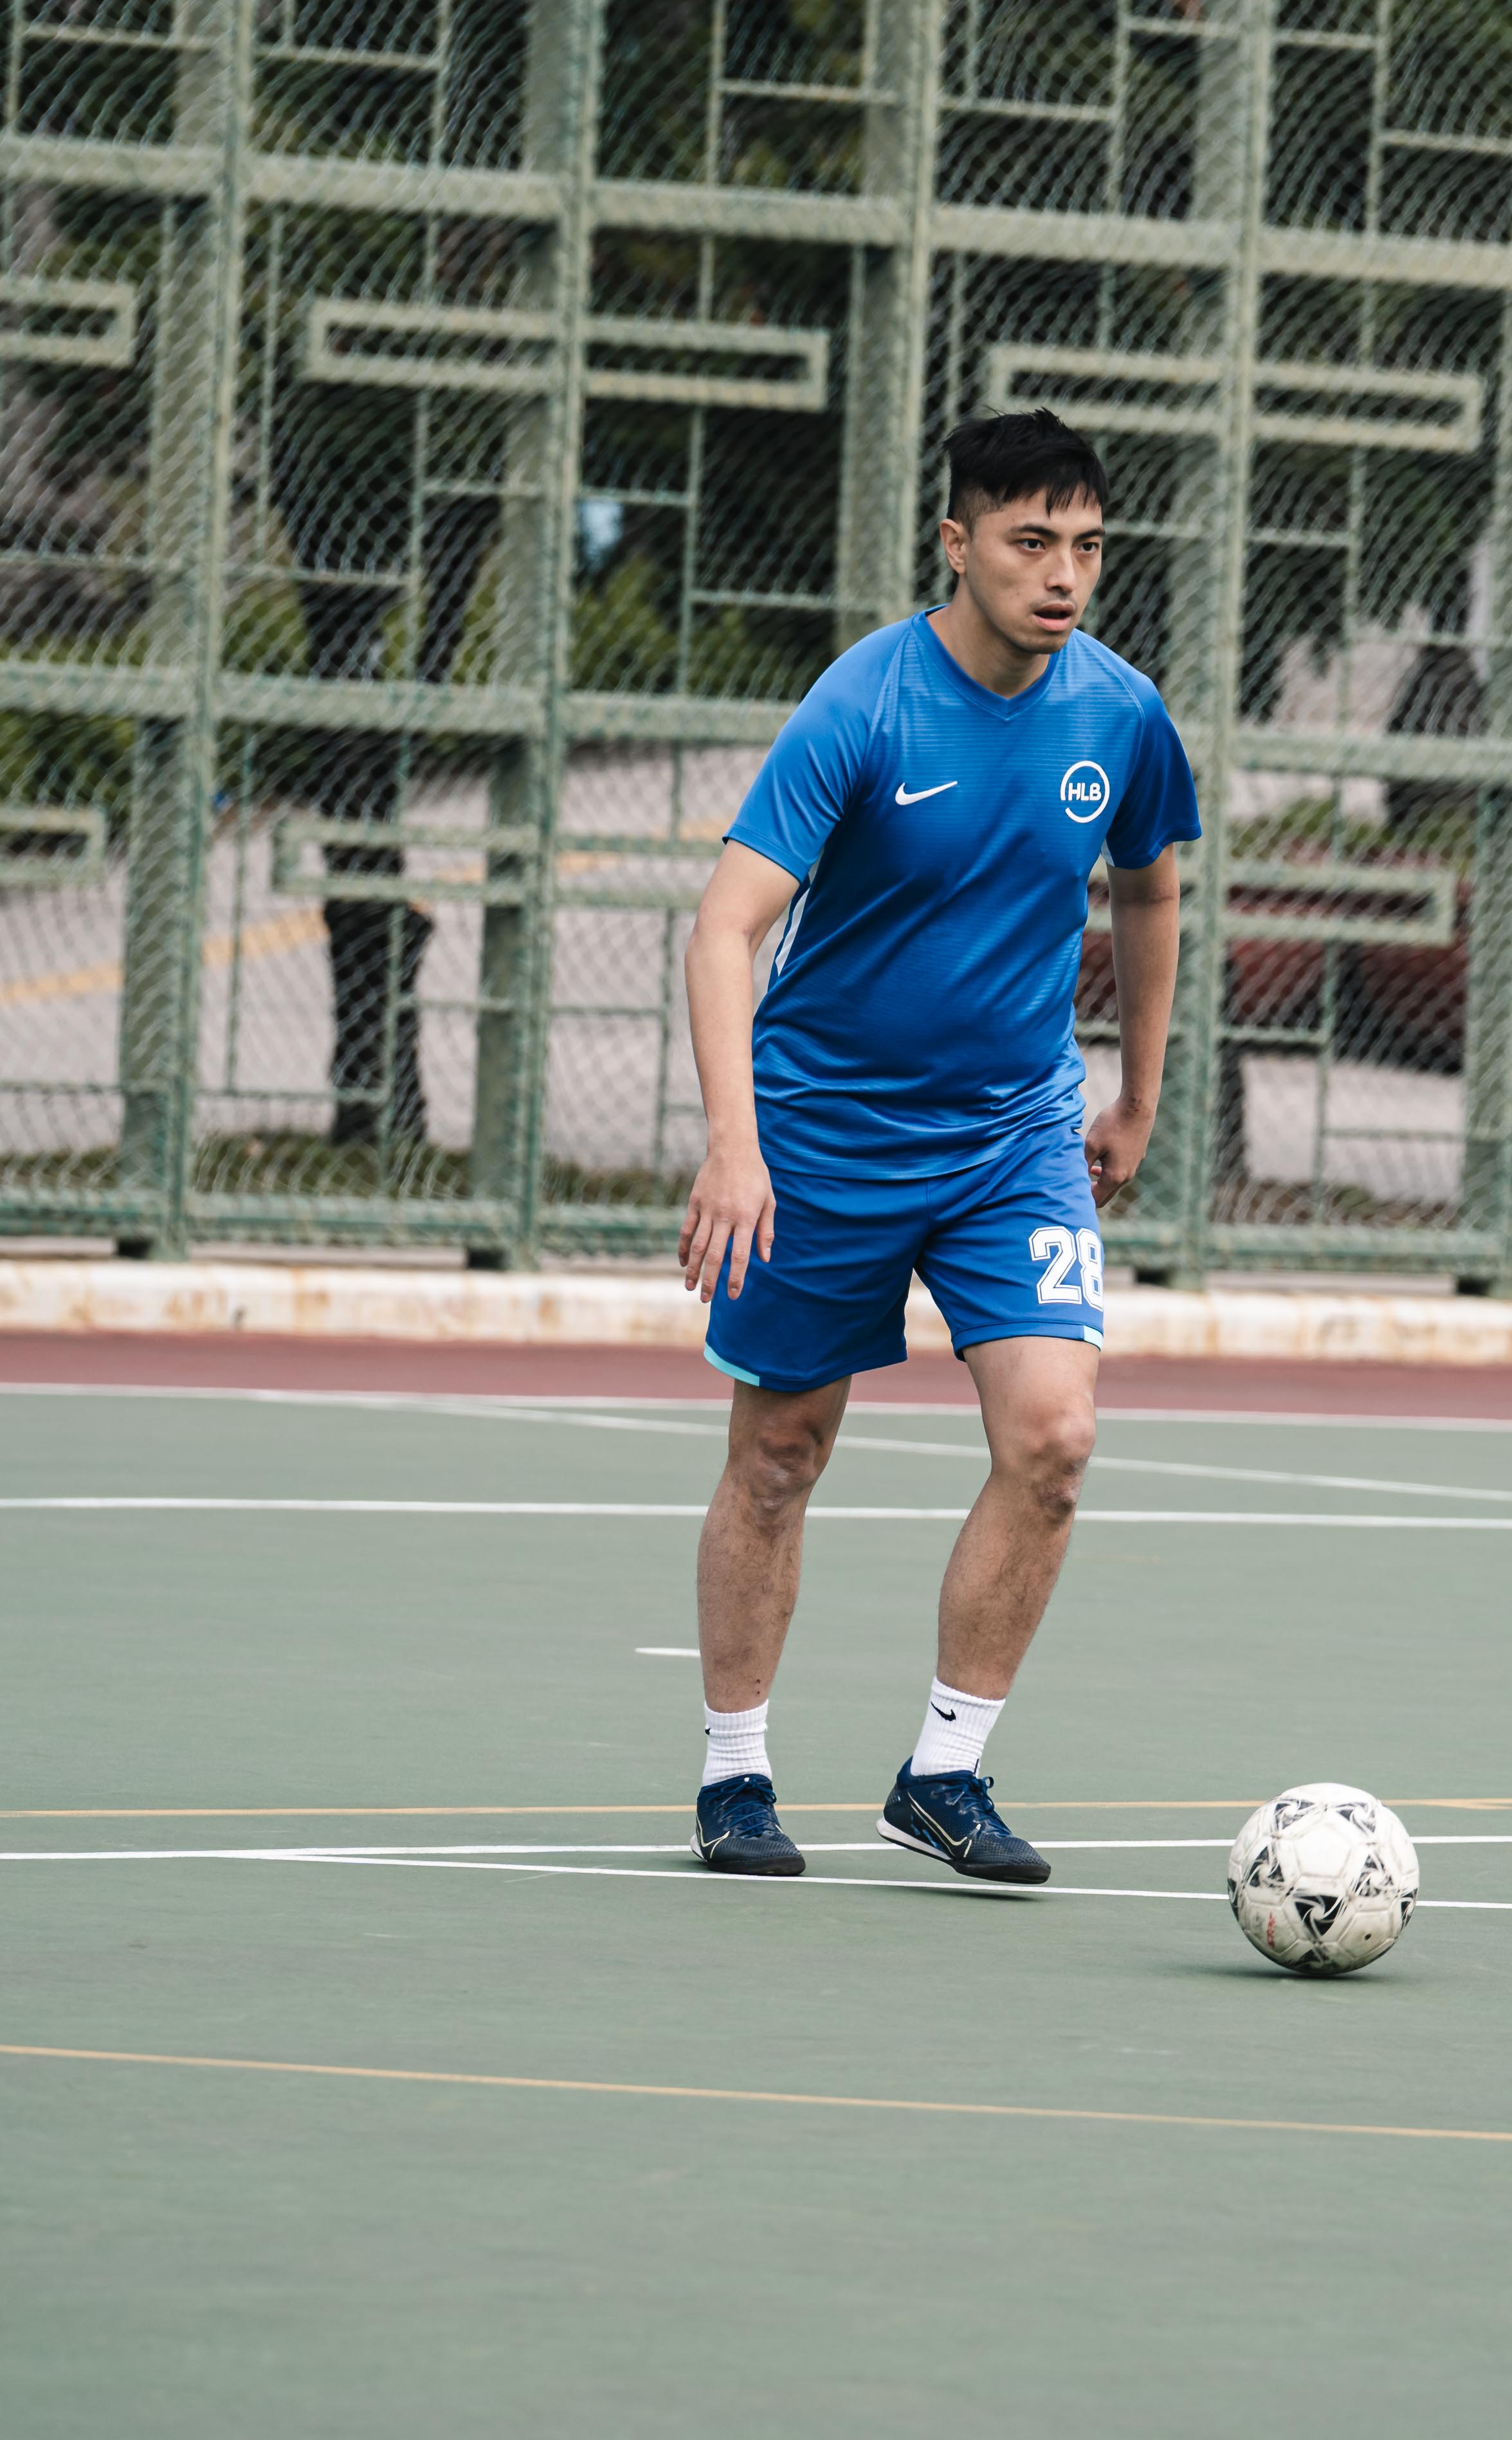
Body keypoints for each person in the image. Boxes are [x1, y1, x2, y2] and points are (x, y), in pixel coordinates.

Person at [672, 409, 1198, 1886]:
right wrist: (736, 1145)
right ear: (957, 543)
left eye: (1087, 544)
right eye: (1031, 542)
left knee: (1057, 1439)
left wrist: (1137, 1095)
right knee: (781, 1453)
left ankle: (945, 1770)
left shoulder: (1122, 713)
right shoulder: (865, 704)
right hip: (824, 1131)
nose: (1064, 573)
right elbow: (724, 929)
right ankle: (734, 1773)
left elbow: (1149, 892)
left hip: (1011, 1136)